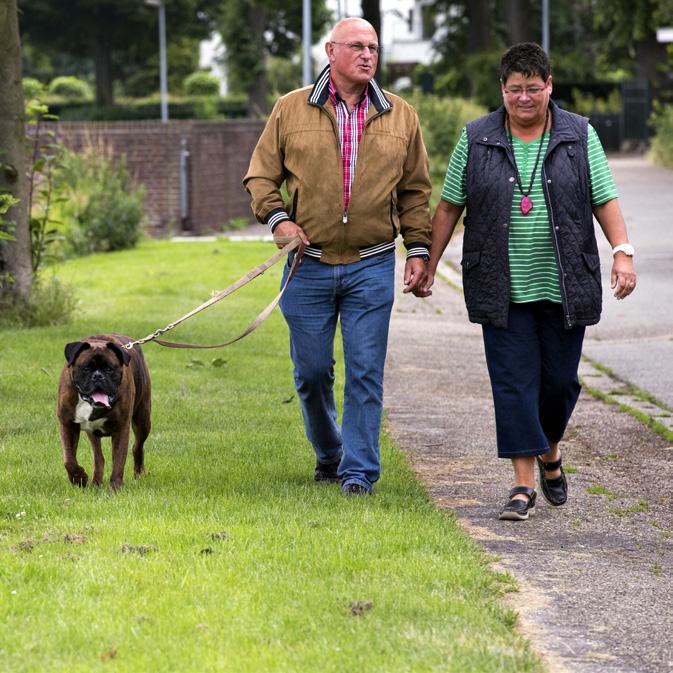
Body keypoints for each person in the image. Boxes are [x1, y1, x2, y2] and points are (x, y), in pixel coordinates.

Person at [419, 42, 636, 520]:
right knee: (513, 383)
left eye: (533, 89)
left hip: (565, 284)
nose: (523, 98)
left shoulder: (579, 135)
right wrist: (430, 263)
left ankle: (550, 453)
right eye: (514, 89)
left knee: (558, 383)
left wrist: (623, 253)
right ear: (503, 89)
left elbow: (604, 198)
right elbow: (450, 205)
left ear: (549, 87)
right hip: (501, 285)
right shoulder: (476, 137)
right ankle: (521, 486)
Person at [243, 18, 432, 496]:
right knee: (311, 373)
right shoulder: (290, 109)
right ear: (331, 51)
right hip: (307, 265)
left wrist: (418, 249)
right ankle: (330, 452)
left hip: (371, 263)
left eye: (373, 47)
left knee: (365, 371)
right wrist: (279, 221)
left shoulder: (401, 116)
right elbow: (261, 178)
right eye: (356, 46)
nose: (368, 55)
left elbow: (415, 192)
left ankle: (358, 473)